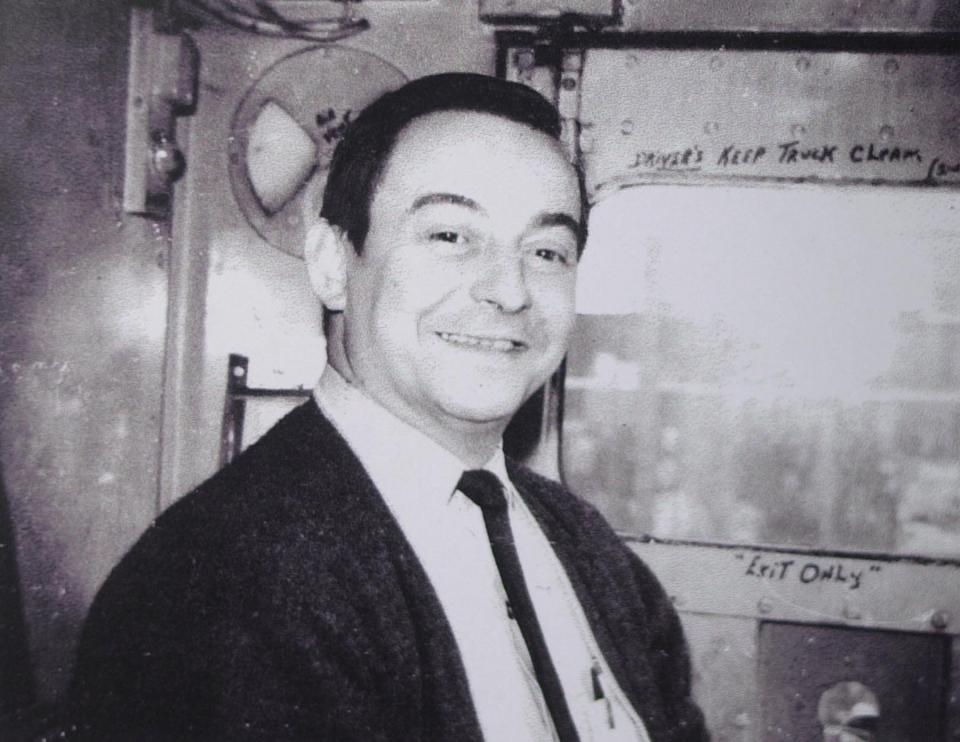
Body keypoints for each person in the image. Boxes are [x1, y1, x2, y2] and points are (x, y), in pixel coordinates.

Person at [67, 73, 708, 741]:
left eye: (547, 251)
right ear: (333, 264)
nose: (511, 290)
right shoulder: (220, 586)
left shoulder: (590, 552)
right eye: (451, 236)